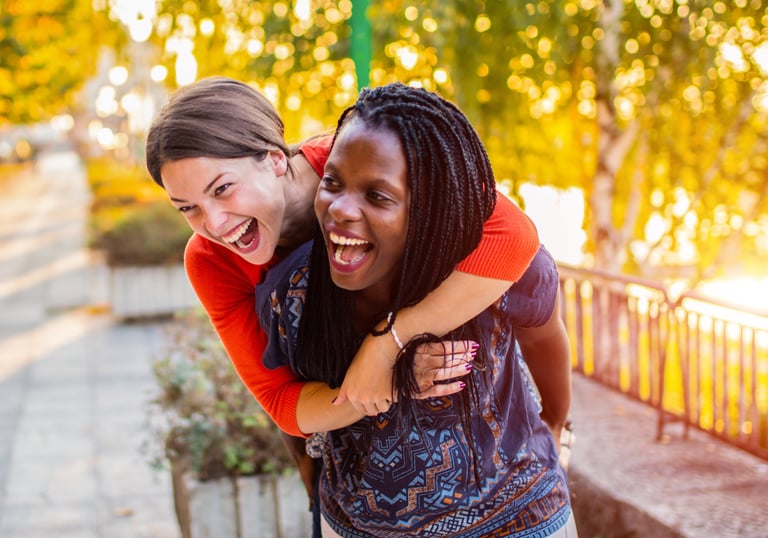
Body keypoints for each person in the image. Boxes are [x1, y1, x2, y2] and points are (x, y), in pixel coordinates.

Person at [145, 77, 546, 534]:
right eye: (187, 209)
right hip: (348, 492)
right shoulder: (210, 261)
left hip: (502, 484)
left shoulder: (370, 154)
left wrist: (389, 342)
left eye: (222, 189)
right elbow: (282, 402)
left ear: (276, 158)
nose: (213, 223)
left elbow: (514, 236)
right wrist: (389, 382)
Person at [258, 83, 576, 537]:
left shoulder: (498, 276)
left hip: (517, 523)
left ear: (430, 208)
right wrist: (319, 495)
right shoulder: (291, 294)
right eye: (332, 182)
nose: (341, 209)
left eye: (378, 196)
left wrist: (557, 425)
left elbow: (546, 338)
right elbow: (290, 408)